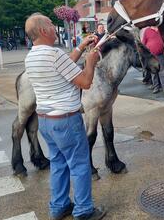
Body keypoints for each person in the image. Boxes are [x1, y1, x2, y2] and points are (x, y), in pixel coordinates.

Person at [24, 13, 106, 220]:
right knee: (79, 165)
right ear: (43, 30)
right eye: (51, 25)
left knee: (59, 164)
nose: (55, 27)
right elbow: (85, 82)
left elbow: (63, 66)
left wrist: (80, 47)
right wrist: (91, 59)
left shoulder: (32, 56)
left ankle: (59, 206)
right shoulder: (54, 54)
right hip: (66, 121)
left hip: (46, 121)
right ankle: (84, 210)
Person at [141, 26, 164, 94]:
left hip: (160, 54)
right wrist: (143, 53)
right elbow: (143, 42)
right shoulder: (147, 31)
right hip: (151, 56)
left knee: (162, 71)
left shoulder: (161, 29)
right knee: (154, 72)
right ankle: (156, 87)